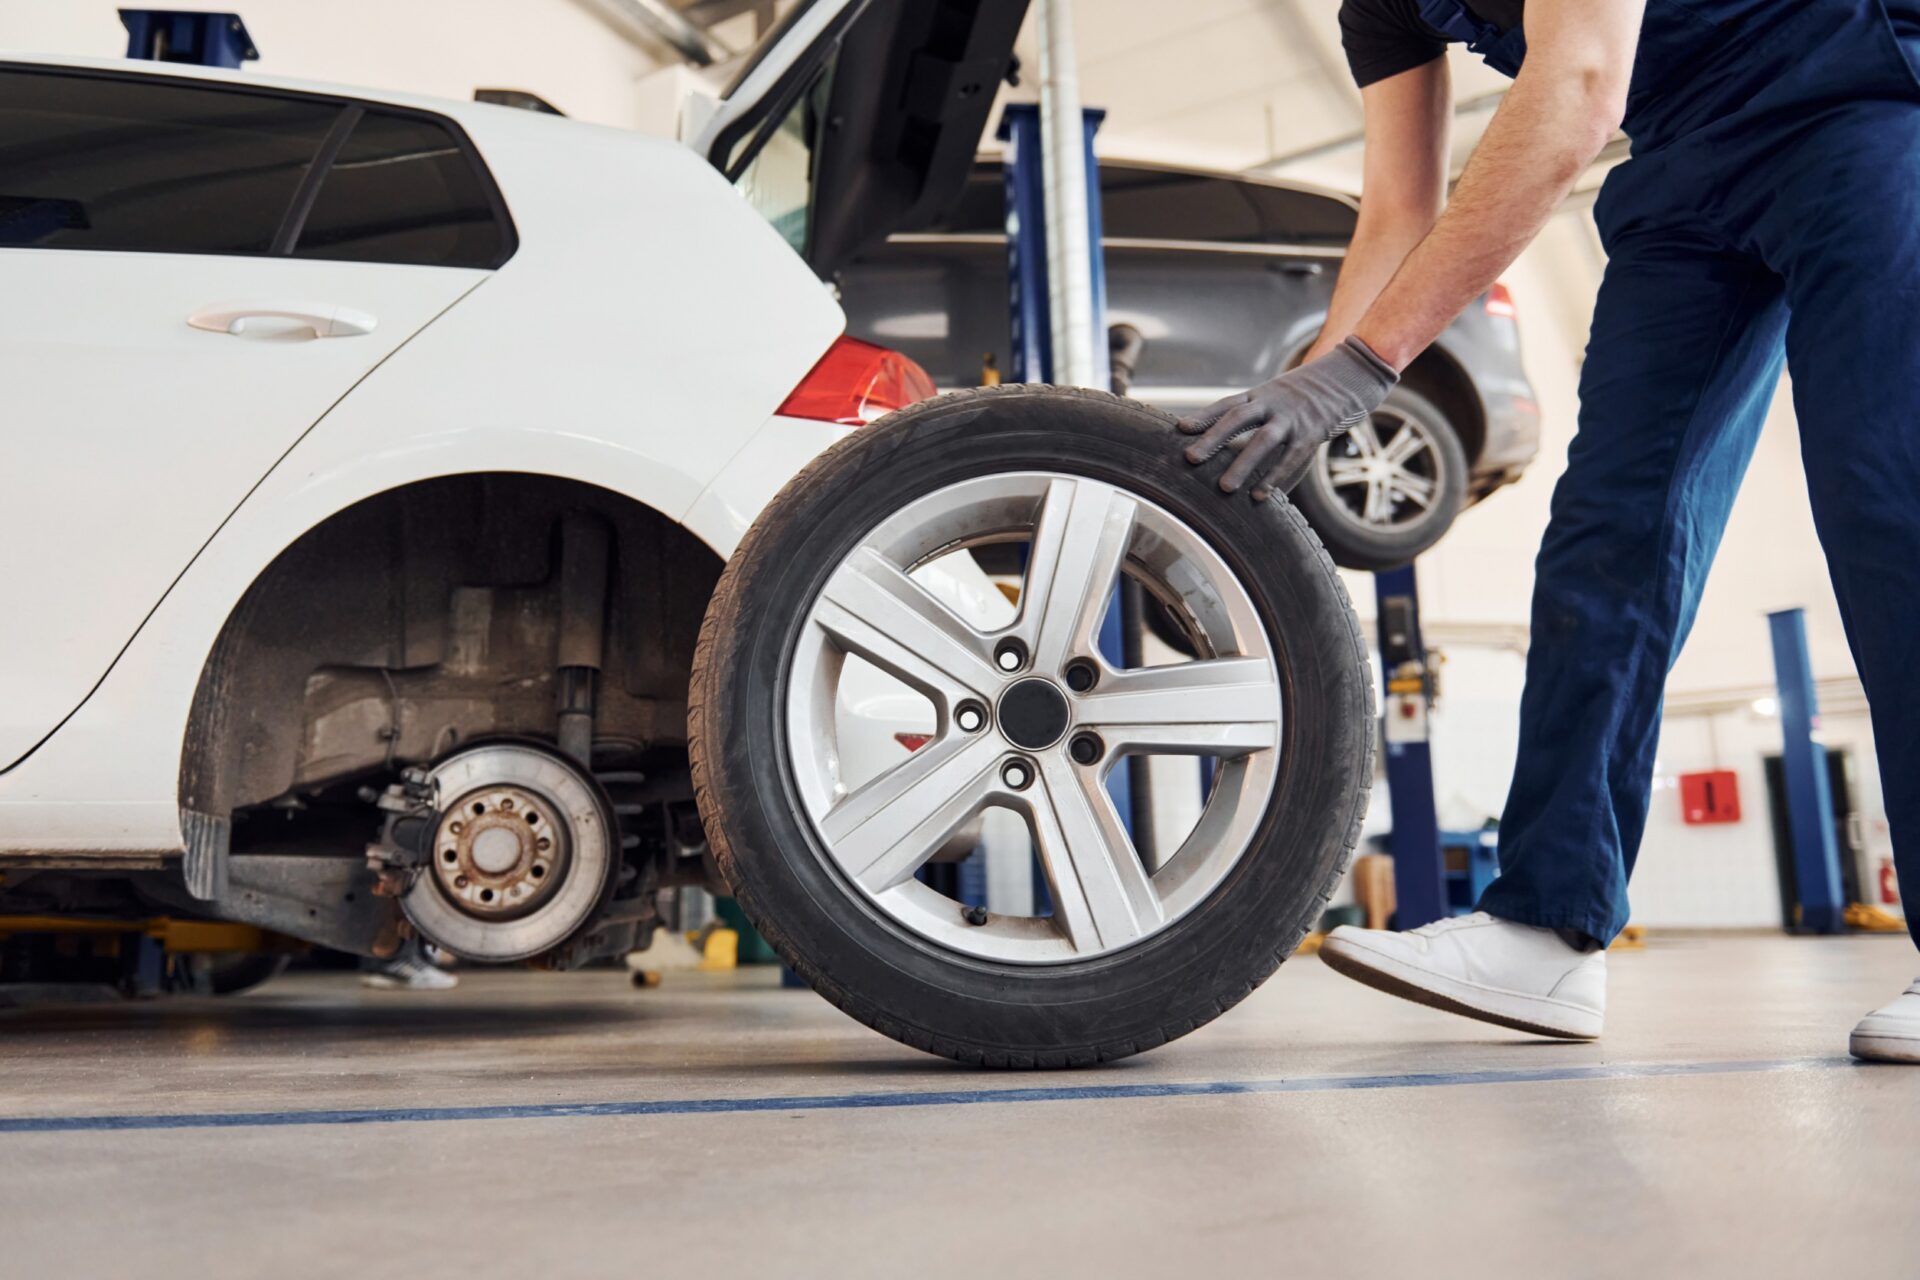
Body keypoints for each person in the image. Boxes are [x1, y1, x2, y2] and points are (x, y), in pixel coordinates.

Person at [1178, 0, 1919, 1063]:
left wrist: (1361, 370)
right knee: (1609, 537)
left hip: (1850, 90)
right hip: (1681, 152)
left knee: (1890, 497)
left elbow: (1576, 85)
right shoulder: (1377, 8)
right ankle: (1547, 923)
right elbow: (1395, 209)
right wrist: (1306, 399)